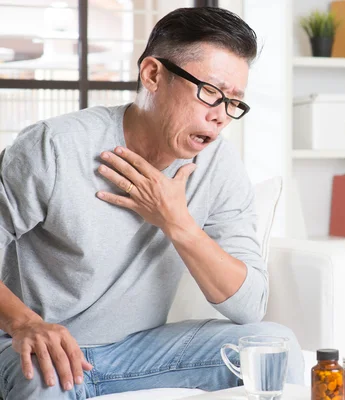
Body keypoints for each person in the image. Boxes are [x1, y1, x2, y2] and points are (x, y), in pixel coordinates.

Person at [0, 7, 303, 399]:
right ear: (153, 75)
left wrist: (177, 221)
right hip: (41, 347)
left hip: (139, 350)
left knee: (274, 343)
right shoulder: (53, 148)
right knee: (44, 379)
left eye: (233, 103)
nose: (220, 117)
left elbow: (249, 307)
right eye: (210, 92)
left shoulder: (218, 165)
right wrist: (24, 322)